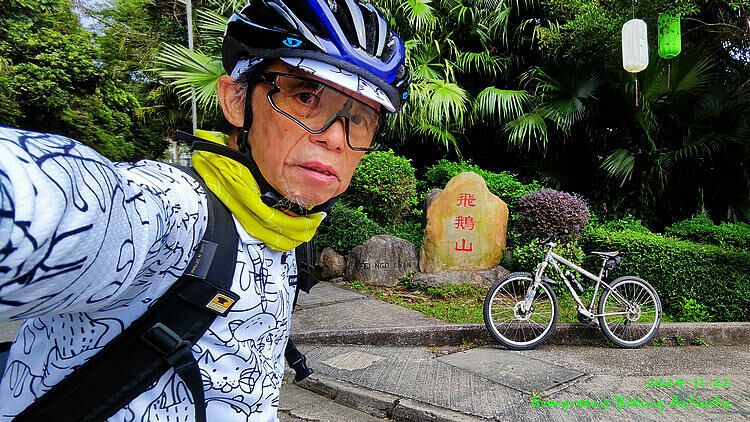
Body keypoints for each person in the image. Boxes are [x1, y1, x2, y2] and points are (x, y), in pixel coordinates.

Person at [0, 0, 409, 420]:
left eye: (360, 118)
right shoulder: (177, 210)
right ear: (235, 100)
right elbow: (70, 204)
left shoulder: (283, 229)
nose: (336, 138)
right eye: (306, 96)